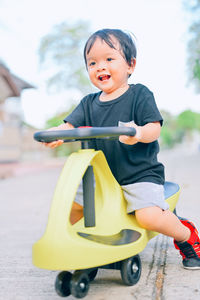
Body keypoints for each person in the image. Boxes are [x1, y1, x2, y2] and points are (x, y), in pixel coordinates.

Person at [43, 28, 200, 269]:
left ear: (130, 65)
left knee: (148, 216)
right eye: (92, 62)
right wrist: (57, 134)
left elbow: (153, 128)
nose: (100, 66)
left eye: (109, 59)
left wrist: (138, 133)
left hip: (139, 174)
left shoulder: (139, 95)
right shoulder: (88, 103)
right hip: (100, 179)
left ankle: (185, 235)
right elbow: (68, 124)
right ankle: (83, 247)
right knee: (72, 209)